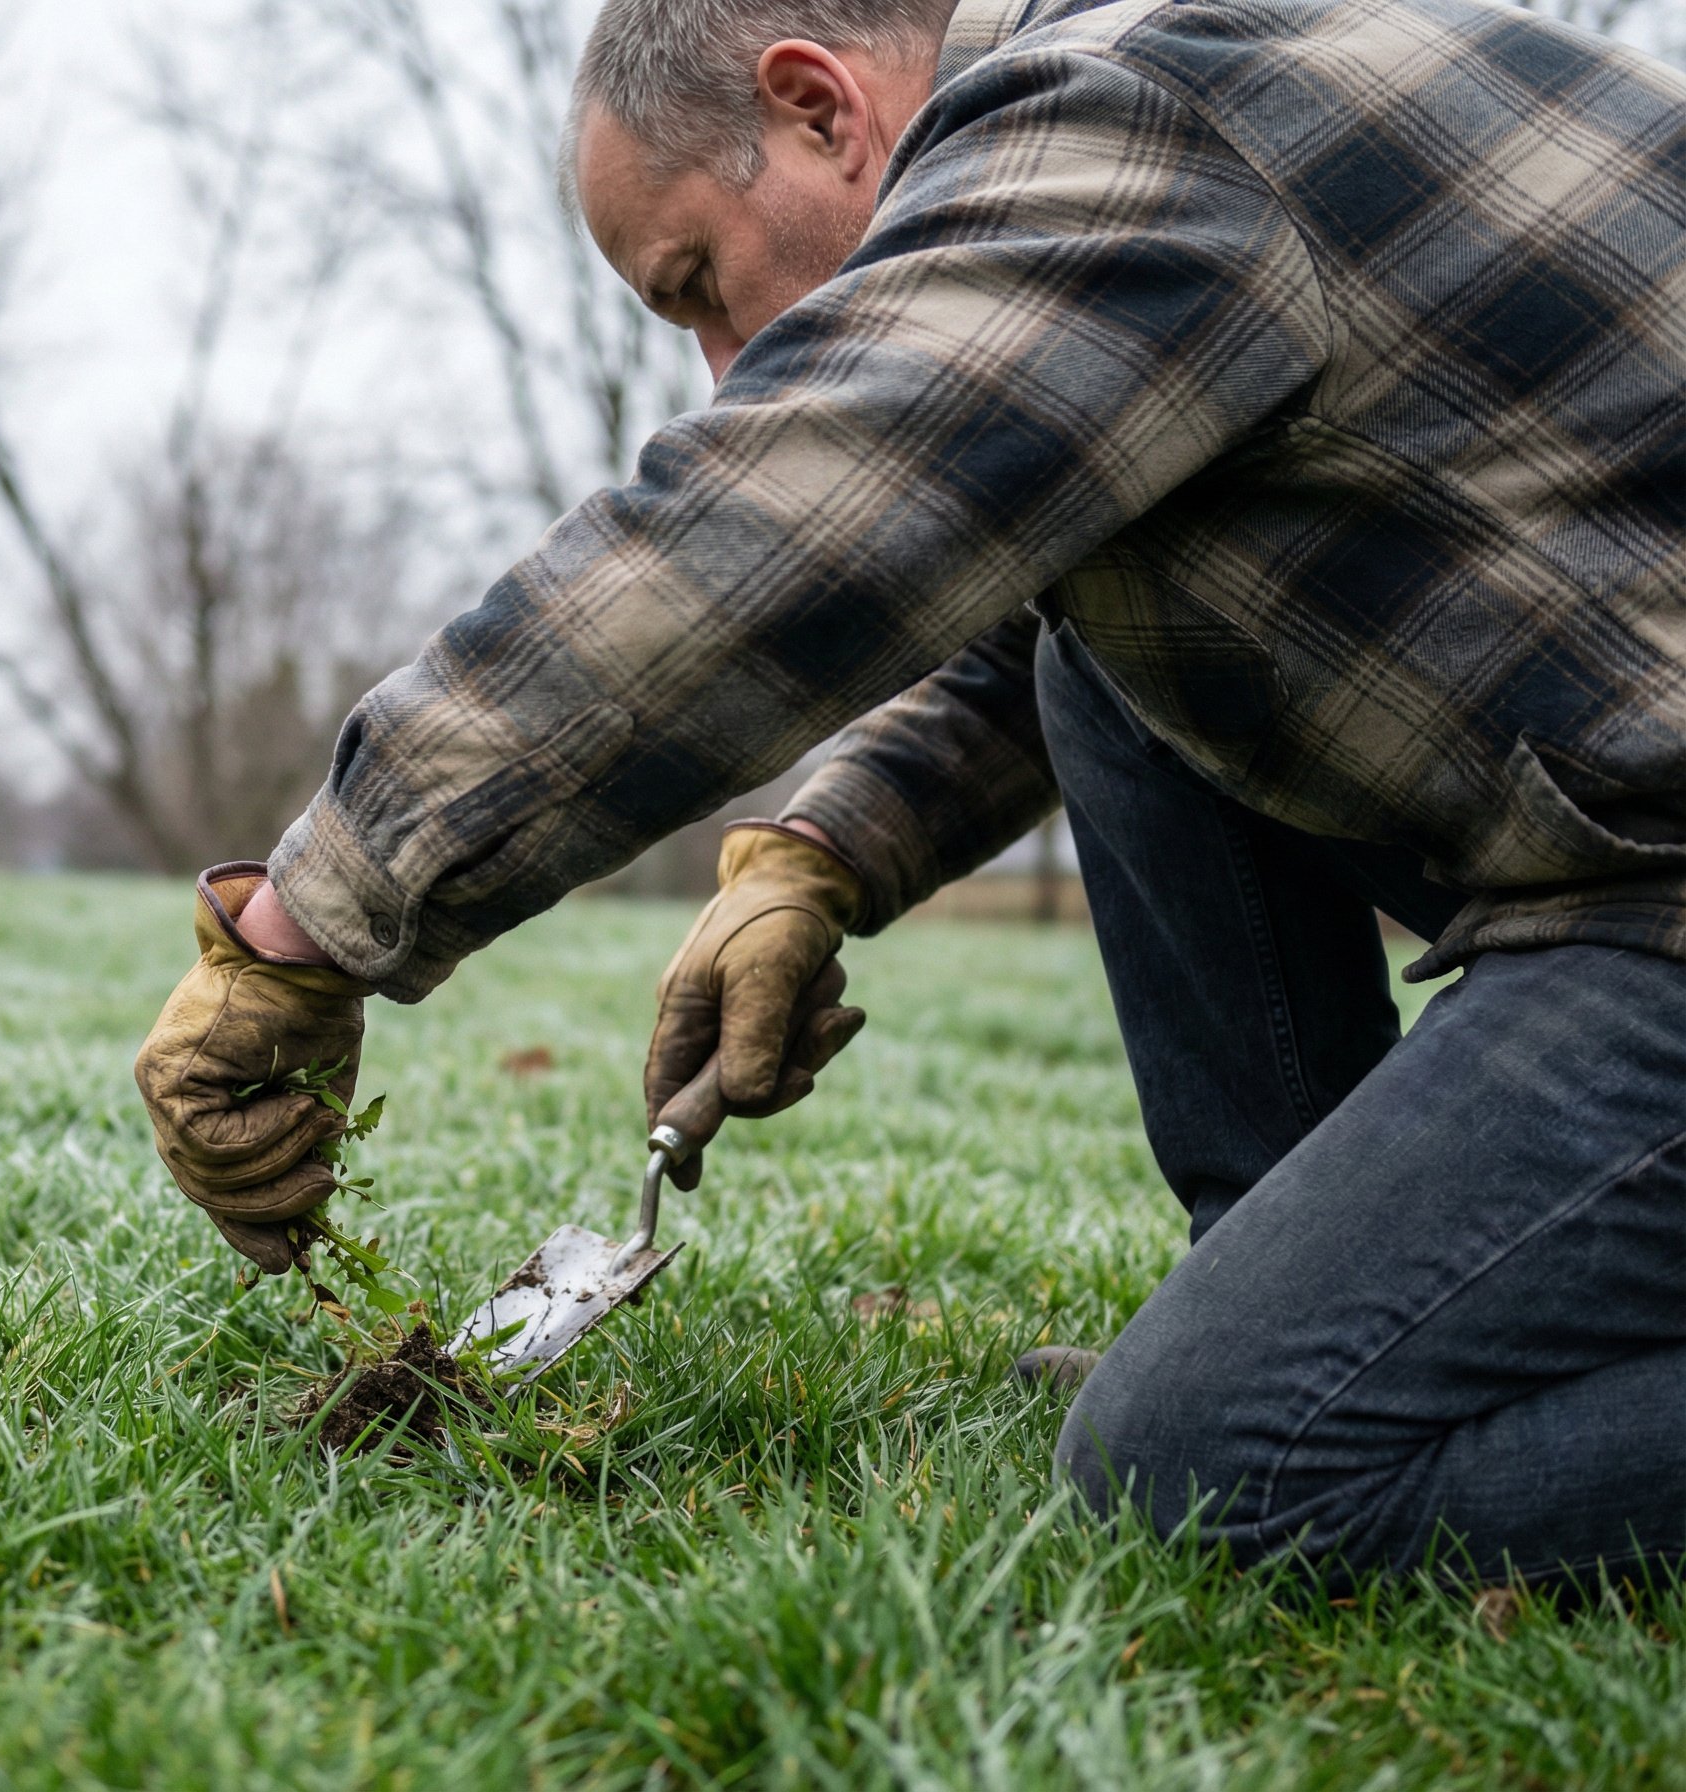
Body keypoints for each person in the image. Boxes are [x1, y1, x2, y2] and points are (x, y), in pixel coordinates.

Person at [136, 0, 1686, 1585]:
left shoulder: (1124, 121)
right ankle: (1295, 1294)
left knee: (1212, 1472)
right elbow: (1041, 645)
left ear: (817, 109)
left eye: (700, 285)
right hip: (1631, 844)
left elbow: (754, 549)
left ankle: (1276, 1382)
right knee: (1112, 658)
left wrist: (308, 918)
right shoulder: (1187, 90)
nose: (726, 368)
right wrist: (813, 860)